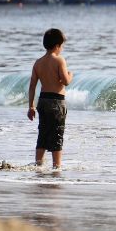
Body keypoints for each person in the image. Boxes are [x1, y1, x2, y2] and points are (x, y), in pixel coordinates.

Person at [26, 28, 73, 169]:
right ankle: (56, 167)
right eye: (62, 46)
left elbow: (32, 87)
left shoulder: (38, 62)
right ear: (58, 45)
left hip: (43, 101)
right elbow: (65, 81)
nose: (62, 49)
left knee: (43, 134)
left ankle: (38, 165)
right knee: (57, 134)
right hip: (57, 102)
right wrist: (71, 74)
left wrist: (31, 107)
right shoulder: (59, 60)